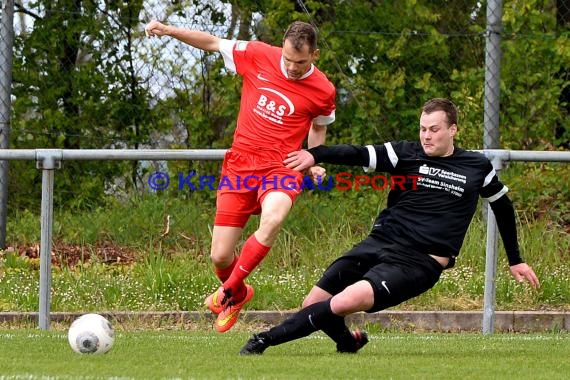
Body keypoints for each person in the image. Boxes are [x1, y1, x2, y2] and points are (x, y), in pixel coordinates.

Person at [239, 97, 540, 355]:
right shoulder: (405, 153)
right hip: (380, 242)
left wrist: (515, 259)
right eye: (423, 129)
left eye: (434, 130)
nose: (427, 136)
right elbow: (357, 153)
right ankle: (346, 343)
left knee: (345, 301)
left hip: (419, 261)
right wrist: (314, 154)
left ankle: (265, 339)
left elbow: (502, 206)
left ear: (453, 130)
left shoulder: (476, 166)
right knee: (313, 302)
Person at [144, 20, 336, 332]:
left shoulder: (323, 89)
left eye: (300, 62)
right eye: (287, 59)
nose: (292, 67)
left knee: (273, 219)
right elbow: (211, 43)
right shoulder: (258, 54)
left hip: (281, 168)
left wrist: (314, 158)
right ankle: (239, 292)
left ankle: (225, 292)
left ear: (314, 55)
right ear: (281, 49)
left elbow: (318, 126)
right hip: (240, 167)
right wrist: (169, 30)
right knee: (220, 255)